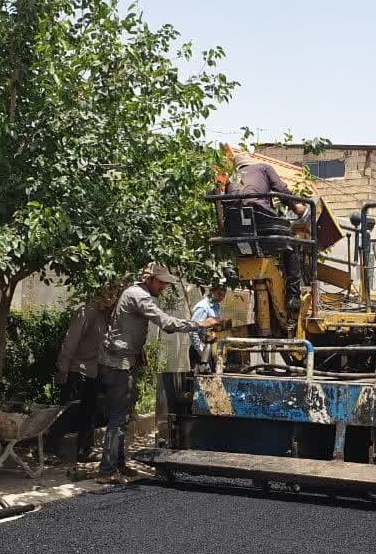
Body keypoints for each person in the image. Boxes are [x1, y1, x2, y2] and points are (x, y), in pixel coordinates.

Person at [97, 263, 220, 482]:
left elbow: (125, 328)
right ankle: (107, 471)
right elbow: (166, 323)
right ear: (149, 279)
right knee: (118, 417)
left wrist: (139, 349)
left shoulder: (136, 293)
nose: (163, 286)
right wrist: (199, 324)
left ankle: (118, 464)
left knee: (123, 416)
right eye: (160, 282)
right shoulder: (139, 296)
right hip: (118, 365)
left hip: (123, 360)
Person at [222, 151, 309, 318]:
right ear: (251, 162)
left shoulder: (231, 179)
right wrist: (296, 207)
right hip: (261, 219)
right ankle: (293, 296)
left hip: (236, 229)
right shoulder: (263, 168)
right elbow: (281, 190)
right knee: (289, 243)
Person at [49, 284, 119, 461]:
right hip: (77, 370)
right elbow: (70, 342)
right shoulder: (87, 312)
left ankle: (84, 451)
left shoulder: (107, 317)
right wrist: (62, 369)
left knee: (89, 412)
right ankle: (49, 449)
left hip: (94, 371)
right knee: (68, 411)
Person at [188, 286, 227, 371]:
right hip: (200, 350)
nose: (221, 297)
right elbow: (192, 331)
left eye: (224, 295)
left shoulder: (216, 306)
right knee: (201, 379)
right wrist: (201, 351)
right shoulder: (203, 307)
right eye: (219, 294)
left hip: (211, 350)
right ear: (211, 291)